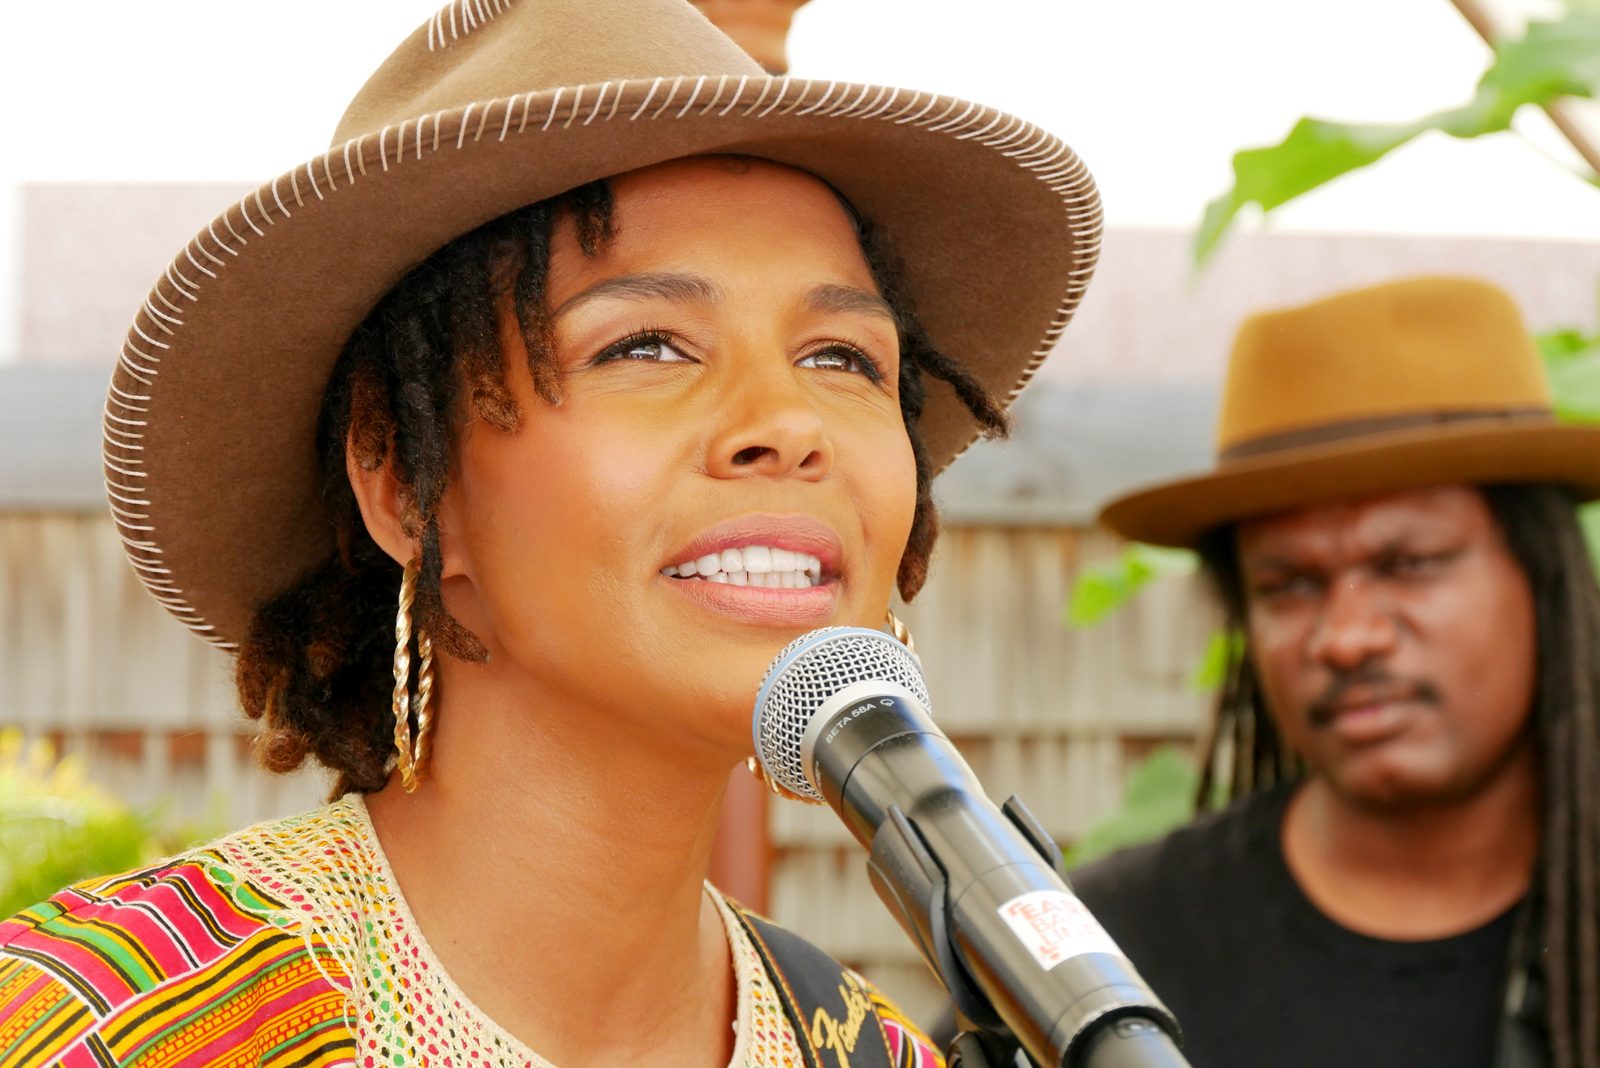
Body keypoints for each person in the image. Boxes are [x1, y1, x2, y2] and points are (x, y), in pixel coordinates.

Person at [0, 1, 1102, 1065]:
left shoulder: (871, 1055)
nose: (788, 424)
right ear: (404, 479)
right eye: (646, 346)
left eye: (841, 358)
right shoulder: (98, 1030)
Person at [1075, 276, 1600, 1068]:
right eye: (1290, 584)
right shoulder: (1106, 956)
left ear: (1541, 575)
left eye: (1410, 563)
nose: (1347, 638)